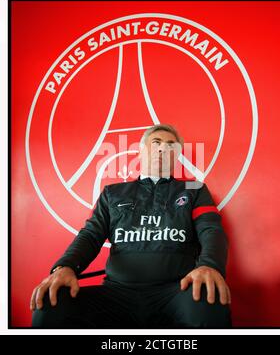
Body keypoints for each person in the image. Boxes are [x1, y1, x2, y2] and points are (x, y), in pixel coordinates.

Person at [31, 124, 231, 328]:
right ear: (142, 151)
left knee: (210, 300)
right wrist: (65, 267)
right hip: (116, 294)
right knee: (51, 304)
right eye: (156, 143)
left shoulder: (194, 188)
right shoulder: (113, 192)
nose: (163, 149)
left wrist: (209, 266)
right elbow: (90, 235)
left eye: (171, 145)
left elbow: (211, 230)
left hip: (177, 291)